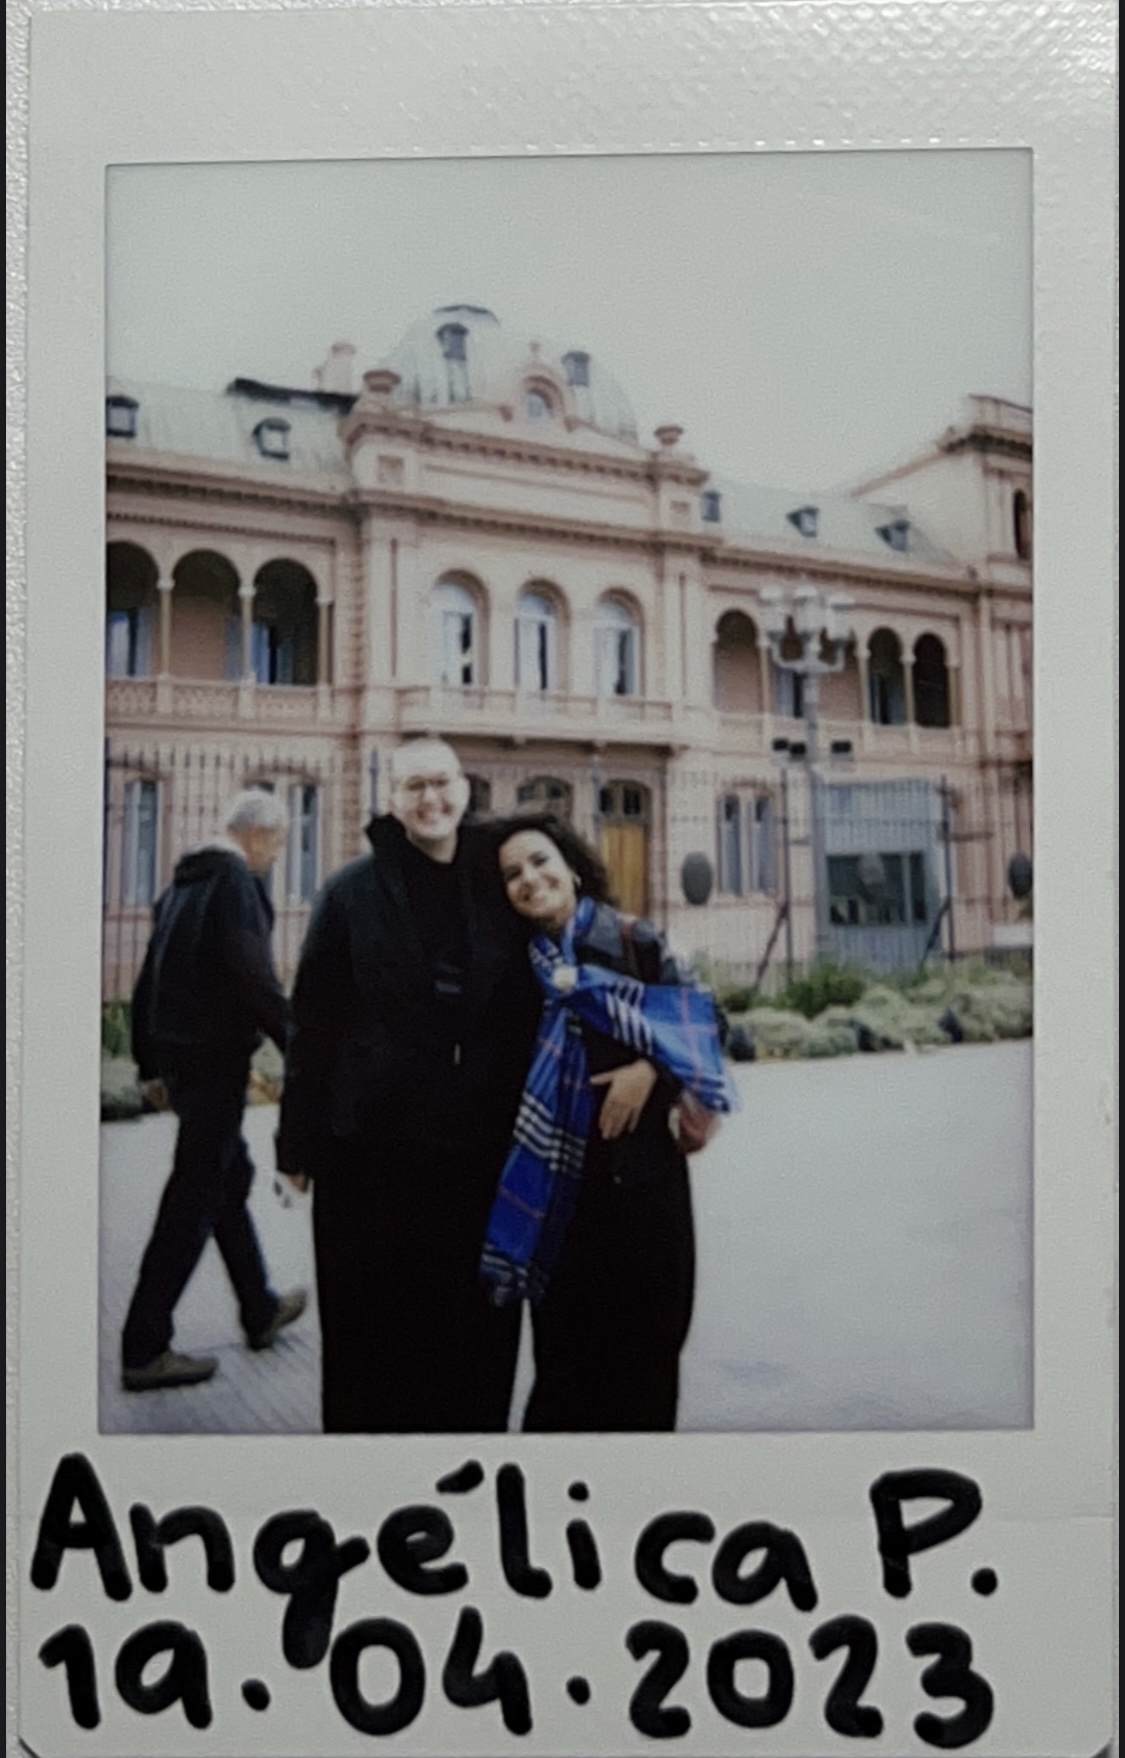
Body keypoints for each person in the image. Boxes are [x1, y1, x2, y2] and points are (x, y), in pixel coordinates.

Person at [274, 739, 540, 1434]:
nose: (431, 800)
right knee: (376, 1340)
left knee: (476, 1334)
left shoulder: (498, 880)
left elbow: (571, 950)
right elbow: (314, 1021)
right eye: (413, 786)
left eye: (442, 782)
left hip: (480, 1153)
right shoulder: (351, 892)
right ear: (390, 799)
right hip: (374, 1157)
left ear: (464, 787)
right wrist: (296, 1146)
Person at [482, 814, 734, 1432]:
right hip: (559, 1199)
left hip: (642, 1191)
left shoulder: (633, 942)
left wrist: (652, 1070)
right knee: (565, 1373)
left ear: (570, 864)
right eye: (512, 874)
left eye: (540, 861)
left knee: (649, 1359)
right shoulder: (515, 968)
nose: (530, 879)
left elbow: (708, 1025)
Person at [121, 788, 307, 1392]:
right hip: (215, 1062)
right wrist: (297, 1041)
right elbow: (252, 971)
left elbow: (147, 980)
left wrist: (149, 1067)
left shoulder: (180, 884)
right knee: (194, 1196)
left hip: (179, 1061)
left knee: (226, 1179)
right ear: (258, 836)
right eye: (276, 847)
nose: (273, 860)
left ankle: (259, 1308)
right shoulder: (234, 882)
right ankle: (144, 1347)